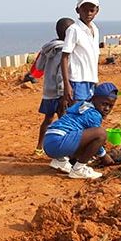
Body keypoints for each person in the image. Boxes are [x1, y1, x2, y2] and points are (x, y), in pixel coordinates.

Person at [54, 0, 101, 173]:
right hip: (77, 81)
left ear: (97, 11)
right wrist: (67, 85)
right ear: (77, 10)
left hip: (90, 81)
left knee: (87, 118)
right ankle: (69, 158)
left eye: (92, 9)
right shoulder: (74, 30)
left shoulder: (95, 29)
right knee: (78, 120)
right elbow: (65, 58)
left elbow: (92, 57)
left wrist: (95, 80)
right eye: (84, 8)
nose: (88, 12)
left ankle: (77, 155)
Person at [43, 83, 118, 180]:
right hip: (58, 142)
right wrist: (104, 156)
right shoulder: (94, 115)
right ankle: (78, 169)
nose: (107, 108)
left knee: (84, 135)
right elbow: (97, 138)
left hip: (50, 140)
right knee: (101, 133)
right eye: (104, 104)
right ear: (94, 99)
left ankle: (61, 160)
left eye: (110, 106)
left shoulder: (82, 105)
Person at [34, 17, 75, 157]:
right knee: (64, 120)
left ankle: (39, 147)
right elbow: (60, 74)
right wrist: (63, 94)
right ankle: (62, 150)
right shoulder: (63, 50)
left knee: (48, 119)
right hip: (59, 92)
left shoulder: (48, 47)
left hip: (48, 91)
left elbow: (39, 66)